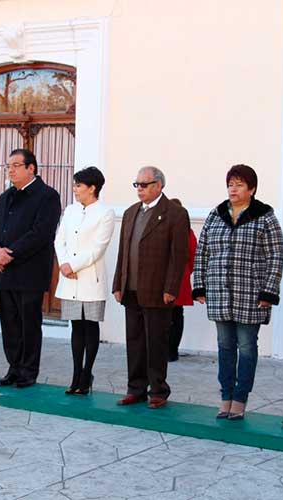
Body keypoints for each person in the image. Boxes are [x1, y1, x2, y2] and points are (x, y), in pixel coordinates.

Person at [192, 165, 283, 420]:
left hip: (251, 294)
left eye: (239, 185)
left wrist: (268, 291)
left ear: (252, 189)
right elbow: (203, 252)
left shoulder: (265, 217)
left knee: (246, 346)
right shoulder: (216, 215)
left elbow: (276, 256)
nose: (233, 189)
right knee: (224, 346)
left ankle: (240, 399)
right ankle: (225, 396)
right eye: (231, 184)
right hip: (220, 292)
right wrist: (199, 285)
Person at [112, 166, 190, 409]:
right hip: (131, 289)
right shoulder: (130, 213)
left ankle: (158, 390)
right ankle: (135, 388)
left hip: (158, 290)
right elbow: (123, 252)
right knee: (134, 341)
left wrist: (171, 288)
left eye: (144, 184)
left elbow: (178, 257)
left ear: (158, 185)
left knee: (156, 341)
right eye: (136, 184)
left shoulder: (175, 214)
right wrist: (118, 283)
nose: (139, 189)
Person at [0, 149, 61, 389]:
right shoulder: (6, 196)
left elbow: (41, 233)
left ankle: (28, 371)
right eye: (8, 165)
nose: (10, 169)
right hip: (3, 269)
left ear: (31, 168)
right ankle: (13, 367)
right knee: (9, 324)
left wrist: (11, 254)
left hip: (29, 271)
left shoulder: (47, 196)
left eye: (16, 165)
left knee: (29, 323)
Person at [54, 167, 115, 395]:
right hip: (69, 278)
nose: (75, 189)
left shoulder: (105, 213)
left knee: (90, 327)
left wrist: (74, 265)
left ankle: (87, 373)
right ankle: (76, 374)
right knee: (76, 328)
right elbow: (59, 239)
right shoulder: (70, 210)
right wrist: (63, 264)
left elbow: (98, 247)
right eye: (75, 185)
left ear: (92, 188)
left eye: (79, 185)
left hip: (90, 278)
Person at [167, 199, 196, 362]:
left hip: (173, 279)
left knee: (167, 317)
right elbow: (193, 256)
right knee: (177, 316)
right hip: (181, 279)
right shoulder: (187, 232)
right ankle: (172, 351)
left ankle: (166, 350)